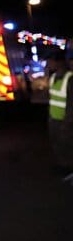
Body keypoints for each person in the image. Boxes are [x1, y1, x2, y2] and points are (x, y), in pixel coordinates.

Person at [46, 49, 73, 179]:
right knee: (56, 143)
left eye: (50, 61)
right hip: (54, 119)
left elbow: (71, 104)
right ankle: (62, 165)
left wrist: (67, 122)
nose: (48, 64)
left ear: (59, 62)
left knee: (67, 145)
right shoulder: (53, 77)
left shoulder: (70, 79)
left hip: (65, 121)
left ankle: (69, 168)